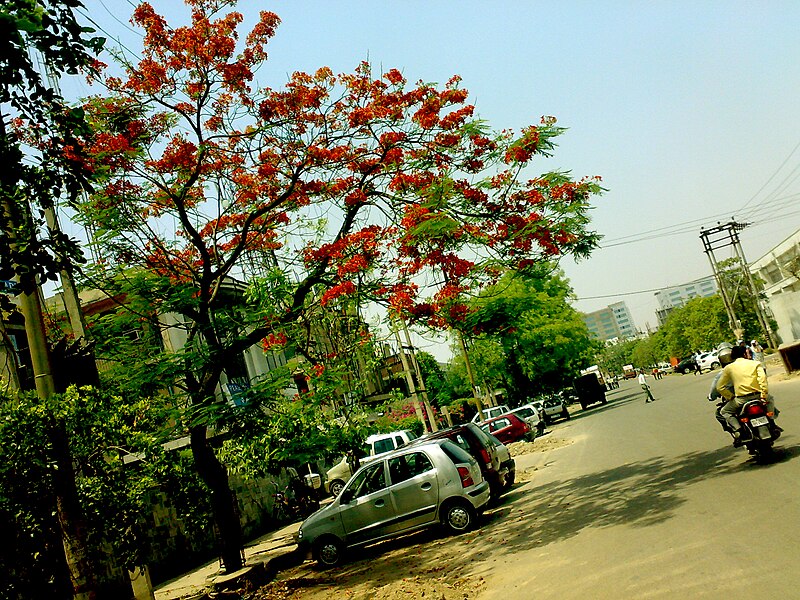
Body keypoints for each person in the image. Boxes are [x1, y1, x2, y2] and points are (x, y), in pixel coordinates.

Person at [715, 345, 778, 445]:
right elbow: (763, 380)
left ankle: (739, 430)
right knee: (770, 400)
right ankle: (771, 421)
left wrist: (730, 396)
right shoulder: (755, 364)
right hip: (758, 396)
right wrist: (763, 395)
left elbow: (720, 387)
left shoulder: (729, 368)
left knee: (725, 411)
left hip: (741, 400)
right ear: (744, 354)